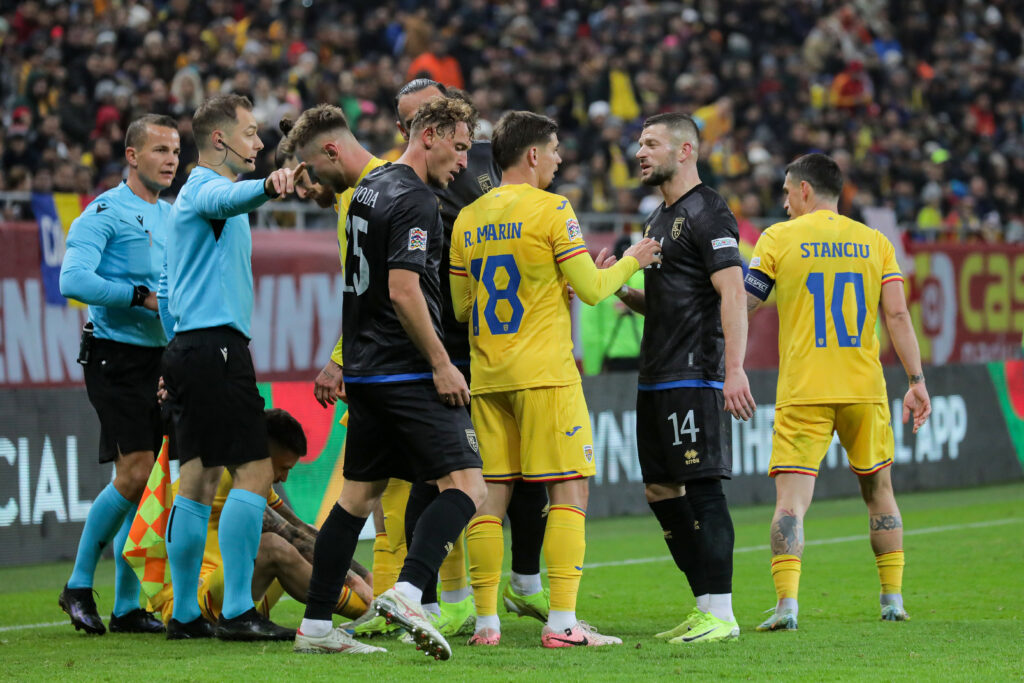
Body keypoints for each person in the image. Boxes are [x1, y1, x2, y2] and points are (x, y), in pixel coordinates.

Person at [451, 111, 662, 647]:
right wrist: (633, 261)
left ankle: (485, 624)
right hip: (545, 374)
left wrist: (537, 291)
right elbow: (592, 290)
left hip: (489, 376)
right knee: (569, 489)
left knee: (489, 497)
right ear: (531, 156)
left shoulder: (467, 218)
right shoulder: (553, 210)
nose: (560, 158)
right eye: (554, 149)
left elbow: (459, 306)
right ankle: (563, 623)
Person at [288, 95, 486, 660]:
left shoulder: (364, 195)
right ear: (432, 135)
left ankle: (316, 626)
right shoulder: (417, 199)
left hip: (368, 373)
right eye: (460, 147)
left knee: (355, 499)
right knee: (469, 485)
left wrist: (347, 361)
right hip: (406, 370)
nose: (463, 162)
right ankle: (406, 591)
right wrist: (441, 363)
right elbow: (402, 289)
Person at [744, 153, 931, 630]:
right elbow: (898, 317)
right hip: (863, 388)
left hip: (804, 389)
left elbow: (745, 303)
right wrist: (915, 381)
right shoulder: (874, 242)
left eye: (787, 193)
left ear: (805, 191)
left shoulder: (777, 239)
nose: (784, 204)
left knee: (790, 502)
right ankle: (892, 600)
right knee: (880, 492)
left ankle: (787, 606)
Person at [392, 79, 551, 637]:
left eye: (441, 119)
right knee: (432, 476)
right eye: (415, 120)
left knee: (521, 467)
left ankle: (519, 582)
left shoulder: (487, 162)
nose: (431, 131)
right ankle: (436, 599)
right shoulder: (399, 186)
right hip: (439, 344)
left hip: (496, 344)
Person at [158, 94, 305, 641]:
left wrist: (175, 355)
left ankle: (185, 616)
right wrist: (269, 185)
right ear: (219, 139)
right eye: (249, 133)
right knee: (255, 471)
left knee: (196, 481)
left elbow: (169, 285)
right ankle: (241, 609)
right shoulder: (204, 189)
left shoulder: (184, 201)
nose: (259, 143)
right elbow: (227, 199)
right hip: (217, 348)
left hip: (191, 348)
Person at [611, 112, 754, 644]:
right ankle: (705, 605)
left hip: (694, 373)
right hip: (655, 374)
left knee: (704, 488)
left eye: (651, 143)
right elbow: (670, 304)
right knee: (658, 489)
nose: (640, 152)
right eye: (639, 143)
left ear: (686, 150)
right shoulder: (657, 219)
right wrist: (627, 293)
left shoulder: (709, 211)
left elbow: (732, 293)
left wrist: (734, 370)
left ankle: (723, 612)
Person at [57, 113, 181, 636]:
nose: (171, 159)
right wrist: (136, 297)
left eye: (175, 150)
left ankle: (128, 605)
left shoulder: (174, 214)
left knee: (148, 480)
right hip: (114, 356)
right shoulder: (104, 212)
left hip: (160, 359)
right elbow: (72, 278)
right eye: (159, 150)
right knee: (134, 472)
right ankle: (79, 584)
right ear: (132, 156)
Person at [150, 409, 376, 641]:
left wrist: (364, 574)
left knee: (300, 534)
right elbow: (291, 536)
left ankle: (375, 609)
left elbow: (301, 529)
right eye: (283, 467)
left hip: (226, 588)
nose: (284, 478)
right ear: (265, 453)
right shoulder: (233, 476)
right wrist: (354, 583)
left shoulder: (250, 473)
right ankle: (372, 613)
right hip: (198, 596)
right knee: (272, 546)